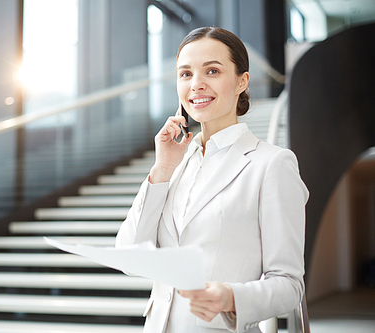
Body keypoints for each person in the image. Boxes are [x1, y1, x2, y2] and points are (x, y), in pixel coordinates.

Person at [115, 27, 309, 333]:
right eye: (185, 74)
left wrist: (232, 297)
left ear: (242, 81)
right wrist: (162, 168)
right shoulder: (175, 164)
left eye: (213, 71)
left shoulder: (271, 164)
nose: (196, 85)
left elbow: (289, 285)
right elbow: (129, 255)